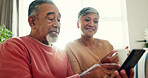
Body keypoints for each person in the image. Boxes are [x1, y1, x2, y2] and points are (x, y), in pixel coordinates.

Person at [0, 0, 134, 78]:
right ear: (32, 22)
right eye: (51, 19)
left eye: (59, 20)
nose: (57, 24)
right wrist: (85, 76)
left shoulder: (61, 54)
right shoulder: (14, 46)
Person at [65, 7, 132, 76]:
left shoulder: (107, 44)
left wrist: (125, 60)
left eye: (95, 21)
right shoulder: (71, 47)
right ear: (78, 24)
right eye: (87, 20)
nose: (91, 24)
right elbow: (77, 76)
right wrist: (101, 63)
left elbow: (115, 71)